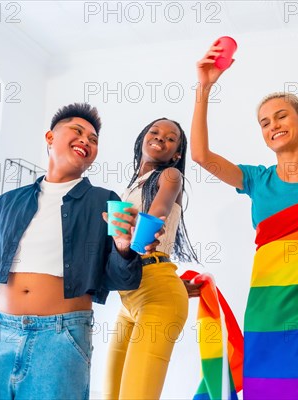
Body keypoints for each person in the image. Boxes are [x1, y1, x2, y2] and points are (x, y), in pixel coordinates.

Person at [0, 103, 156, 400]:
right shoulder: (5, 204)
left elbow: (123, 281)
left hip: (62, 340)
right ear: (50, 138)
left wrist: (124, 248)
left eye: (93, 139)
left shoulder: (106, 203)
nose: (86, 140)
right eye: (77, 131)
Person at [191, 43, 298, 399]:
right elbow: (200, 155)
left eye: (281, 116)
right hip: (268, 312)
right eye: (265, 122)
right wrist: (205, 86)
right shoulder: (256, 180)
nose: (273, 125)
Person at [103, 117, 199, 400]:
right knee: (111, 394)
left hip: (157, 293)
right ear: (143, 138)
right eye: (155, 132)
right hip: (128, 297)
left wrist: (137, 239)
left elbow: (157, 215)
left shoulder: (170, 176)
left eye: (172, 138)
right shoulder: (130, 188)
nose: (161, 138)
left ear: (177, 153)